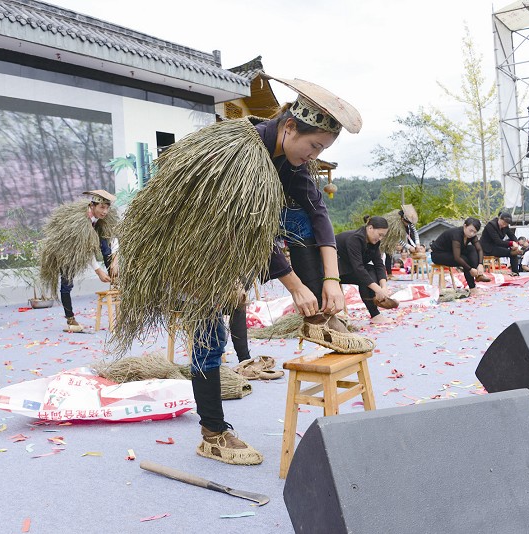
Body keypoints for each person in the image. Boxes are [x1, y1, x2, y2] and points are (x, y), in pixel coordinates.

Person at [113, 76, 367, 466]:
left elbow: (317, 212)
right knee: (209, 336)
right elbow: (246, 230)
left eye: (322, 149)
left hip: (235, 241)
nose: (314, 155)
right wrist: (295, 285)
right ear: (289, 126)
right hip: (188, 247)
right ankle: (213, 433)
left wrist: (331, 280)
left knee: (300, 215)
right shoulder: (240, 152)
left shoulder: (290, 160)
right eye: (313, 145)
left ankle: (317, 318)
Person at [39, 190, 118, 332]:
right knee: (66, 283)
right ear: (92, 205)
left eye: (107, 207)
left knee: (106, 246)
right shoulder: (81, 221)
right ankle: (70, 319)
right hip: (67, 248)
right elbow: (85, 249)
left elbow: (113, 237)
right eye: (101, 207)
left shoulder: (105, 217)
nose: (105, 211)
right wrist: (98, 271)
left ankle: (115, 278)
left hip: (89, 237)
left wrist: (114, 261)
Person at [336, 216, 397, 324]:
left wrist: (384, 287)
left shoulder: (374, 242)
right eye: (380, 235)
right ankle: (375, 312)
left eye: (383, 236)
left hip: (351, 269)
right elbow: (358, 268)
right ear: (370, 228)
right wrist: (378, 290)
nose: (380, 238)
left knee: (372, 270)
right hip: (335, 271)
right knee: (366, 273)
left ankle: (376, 305)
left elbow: (379, 264)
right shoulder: (355, 239)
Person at [430, 218, 490, 295]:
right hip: (438, 254)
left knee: (471, 248)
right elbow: (457, 257)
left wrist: (480, 264)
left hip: (451, 252)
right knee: (464, 259)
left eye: (474, 232)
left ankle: (478, 275)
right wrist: (470, 269)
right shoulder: (456, 234)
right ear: (465, 226)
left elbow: (479, 250)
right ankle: (473, 288)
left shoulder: (472, 236)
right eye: (470, 230)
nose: (472, 234)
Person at [383, 204, 422, 277]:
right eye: (407, 223)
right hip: (389, 238)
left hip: (400, 238)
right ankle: (388, 274)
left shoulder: (409, 222)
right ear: (402, 219)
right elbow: (398, 239)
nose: (408, 224)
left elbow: (414, 232)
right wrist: (409, 247)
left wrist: (417, 244)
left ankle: (389, 274)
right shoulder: (396, 225)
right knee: (388, 254)